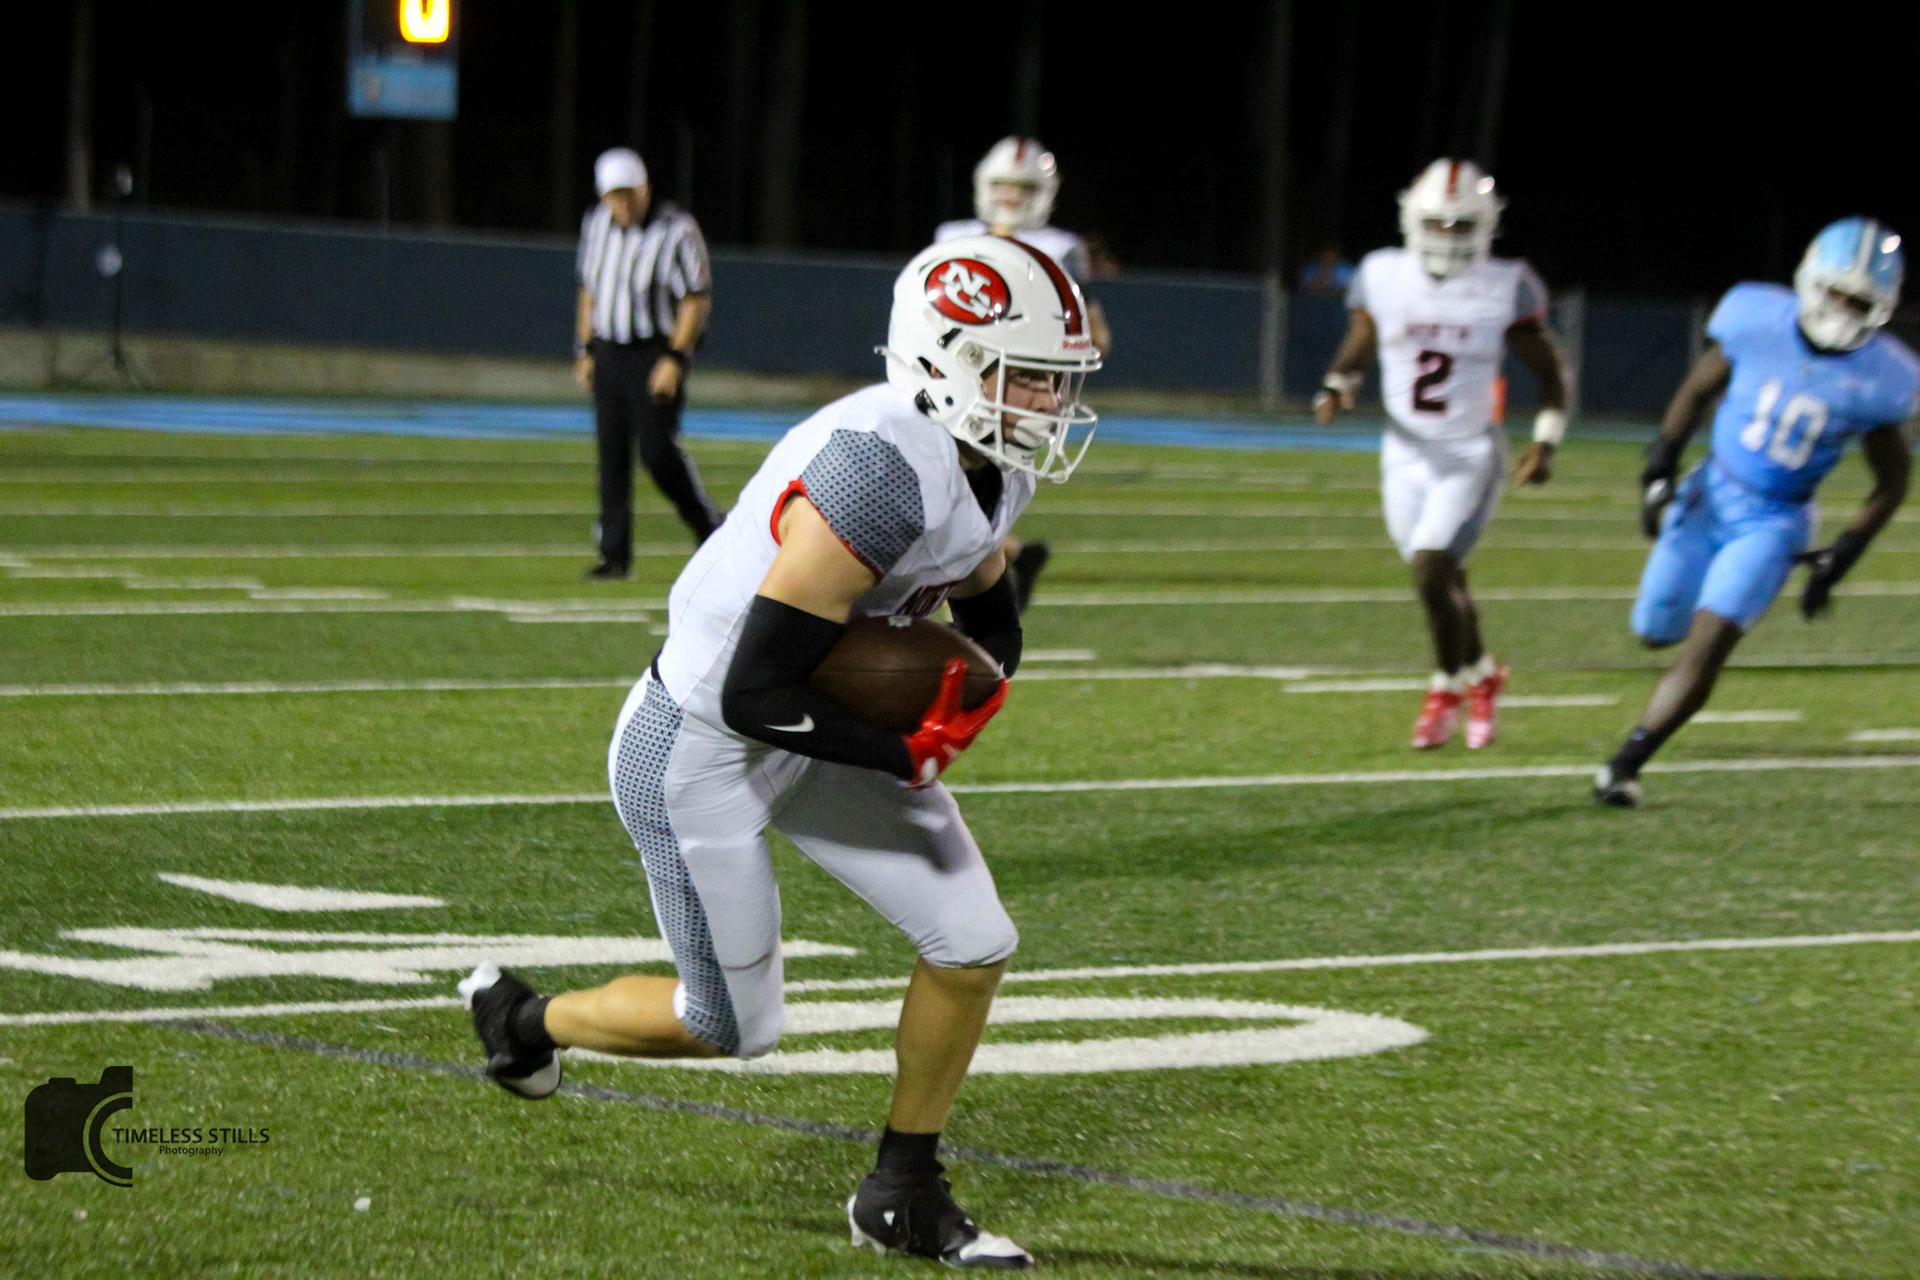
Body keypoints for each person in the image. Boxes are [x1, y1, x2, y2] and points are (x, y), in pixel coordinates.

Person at [461, 233, 1101, 1268]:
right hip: (699, 743)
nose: (1049, 400)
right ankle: (526, 1020)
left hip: (808, 717)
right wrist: (901, 749)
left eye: (1055, 377)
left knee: (973, 940)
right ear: (946, 360)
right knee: (730, 1024)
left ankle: (901, 1191)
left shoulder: (987, 462)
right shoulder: (879, 470)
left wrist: (974, 691)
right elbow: (752, 689)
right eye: (1026, 373)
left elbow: (992, 610)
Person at [1594, 218, 1916, 807]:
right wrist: (1659, 467)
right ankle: (1641, 728)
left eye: (1860, 303)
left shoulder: (1881, 378)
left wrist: (1842, 555)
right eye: (1837, 293)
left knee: (1709, 642)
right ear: (1811, 279)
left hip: (1774, 522)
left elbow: (1892, 481)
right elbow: (1696, 390)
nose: (1843, 311)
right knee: (1654, 630)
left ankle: (1626, 764)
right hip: (1710, 495)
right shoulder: (1755, 319)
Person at [1315, 158, 1571, 749]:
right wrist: (1337, 381)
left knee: (1431, 571)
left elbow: (1551, 376)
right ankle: (1485, 675)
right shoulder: (1382, 273)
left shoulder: (1506, 284)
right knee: (1444, 582)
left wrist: (1546, 442)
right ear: (1413, 220)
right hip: (1403, 454)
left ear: (1486, 227)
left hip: (1468, 454)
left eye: (1462, 225)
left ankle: (1445, 690)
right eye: (1439, 223)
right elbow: (1363, 338)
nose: (1450, 235)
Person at [935, 136, 1112, 611]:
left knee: (963, 484)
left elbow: (1093, 333)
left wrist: (1051, 369)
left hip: (1014, 387)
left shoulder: (1060, 247)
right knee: (948, 483)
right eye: (1003, 185)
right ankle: (1007, 559)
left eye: (1024, 188)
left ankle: (993, 574)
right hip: (954, 377)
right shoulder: (952, 237)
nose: (1011, 197)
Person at [575, 146, 723, 575]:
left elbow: (695, 298)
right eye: (614, 195)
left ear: (645, 188)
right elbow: (588, 288)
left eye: (629, 193)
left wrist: (675, 357)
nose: (622, 204)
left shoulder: (677, 229)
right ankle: (613, 555)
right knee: (611, 456)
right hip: (609, 348)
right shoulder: (596, 224)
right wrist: (585, 348)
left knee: (657, 452)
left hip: (654, 351)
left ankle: (709, 525)